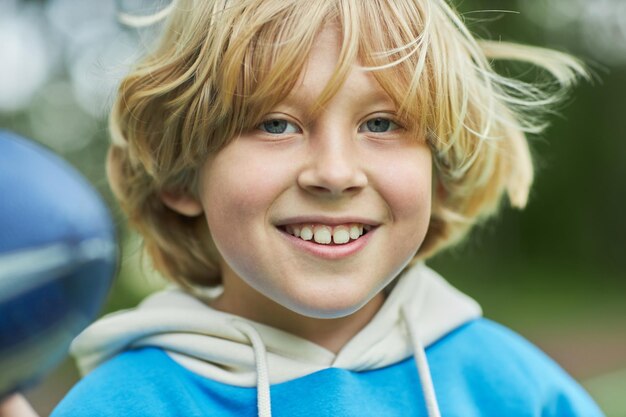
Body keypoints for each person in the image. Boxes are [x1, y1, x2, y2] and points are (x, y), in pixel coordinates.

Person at [51, 0, 603, 416]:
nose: (336, 173)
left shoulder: (512, 388)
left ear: (437, 167)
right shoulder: (121, 402)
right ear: (181, 177)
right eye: (275, 124)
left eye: (381, 124)